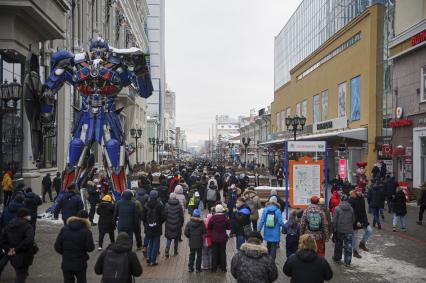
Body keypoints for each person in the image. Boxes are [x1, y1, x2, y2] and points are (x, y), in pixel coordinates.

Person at [54, 210, 95, 283]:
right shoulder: (86, 231)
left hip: (66, 262)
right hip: (80, 263)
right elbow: (90, 248)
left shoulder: (64, 229)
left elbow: (57, 246)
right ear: (86, 219)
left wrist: (65, 253)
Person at [0, 208, 35, 283]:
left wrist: (9, 249)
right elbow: (29, 240)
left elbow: (2, 240)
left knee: (19, 272)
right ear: (24, 216)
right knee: (21, 276)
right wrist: (16, 249)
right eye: (28, 215)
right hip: (24, 255)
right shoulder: (27, 226)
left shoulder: (9, 225)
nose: (29, 217)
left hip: (12, 254)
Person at [142, 190, 166, 266]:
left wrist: (147, 223)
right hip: (157, 227)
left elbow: (143, 217)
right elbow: (163, 216)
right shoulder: (160, 204)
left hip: (148, 226)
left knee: (150, 242)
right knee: (155, 243)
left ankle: (149, 257)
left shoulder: (146, 204)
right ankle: (153, 260)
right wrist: (159, 222)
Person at [258, 196, 283, 261]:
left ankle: (268, 260)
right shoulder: (278, 210)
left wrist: (259, 229)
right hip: (275, 232)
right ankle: (272, 262)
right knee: (274, 247)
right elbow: (280, 222)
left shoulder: (266, 209)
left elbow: (262, 220)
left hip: (267, 231)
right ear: (276, 202)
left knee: (268, 245)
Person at [332, 194, 355, 267]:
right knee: (348, 246)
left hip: (340, 230)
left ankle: (337, 258)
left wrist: (334, 230)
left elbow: (334, 221)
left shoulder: (337, 208)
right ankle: (347, 261)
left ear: (341, 200)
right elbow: (353, 220)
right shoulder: (351, 208)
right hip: (349, 230)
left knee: (338, 244)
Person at [349, 188, 372, 258]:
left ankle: (362, 243)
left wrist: (366, 220)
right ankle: (355, 251)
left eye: (360, 191)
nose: (359, 192)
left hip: (362, 219)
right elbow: (352, 213)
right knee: (355, 237)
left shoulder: (362, 198)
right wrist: (356, 222)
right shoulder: (352, 200)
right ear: (355, 192)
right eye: (358, 191)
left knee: (369, 231)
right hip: (354, 221)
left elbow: (363, 211)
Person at [208, 204, 230, 272]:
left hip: (214, 237)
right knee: (223, 252)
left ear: (216, 210)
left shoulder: (212, 218)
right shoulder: (225, 218)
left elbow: (209, 227)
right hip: (223, 237)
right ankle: (223, 268)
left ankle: (214, 268)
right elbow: (228, 227)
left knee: (214, 253)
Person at [164, 192, 184, 258]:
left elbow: (165, 215)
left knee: (169, 238)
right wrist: (182, 223)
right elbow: (181, 216)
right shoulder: (179, 206)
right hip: (177, 224)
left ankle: (167, 249)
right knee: (176, 238)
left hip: (169, 224)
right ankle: (175, 251)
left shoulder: (167, 205)